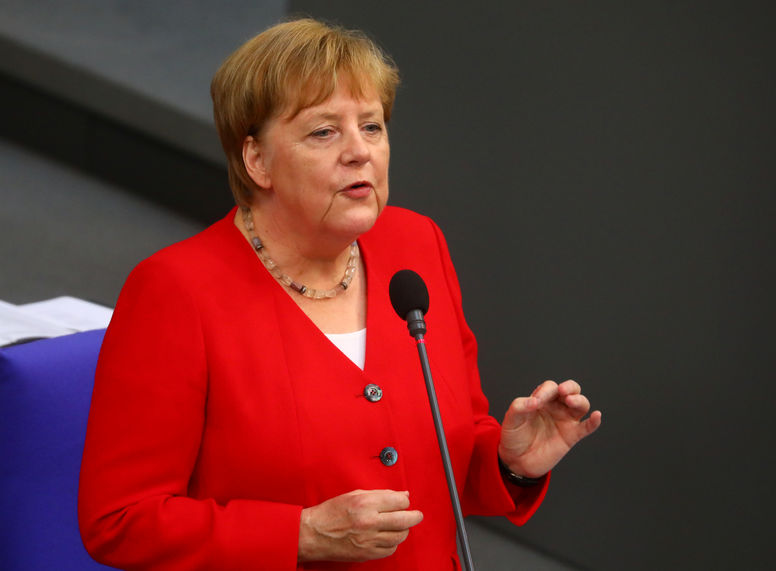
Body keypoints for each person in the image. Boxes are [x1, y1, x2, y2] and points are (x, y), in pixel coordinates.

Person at [78, 17, 601, 570]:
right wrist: (299, 534)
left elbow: (442, 454)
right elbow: (119, 522)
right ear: (257, 160)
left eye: (372, 127)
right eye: (324, 132)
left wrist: (509, 463)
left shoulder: (415, 245)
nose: (360, 152)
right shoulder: (176, 291)